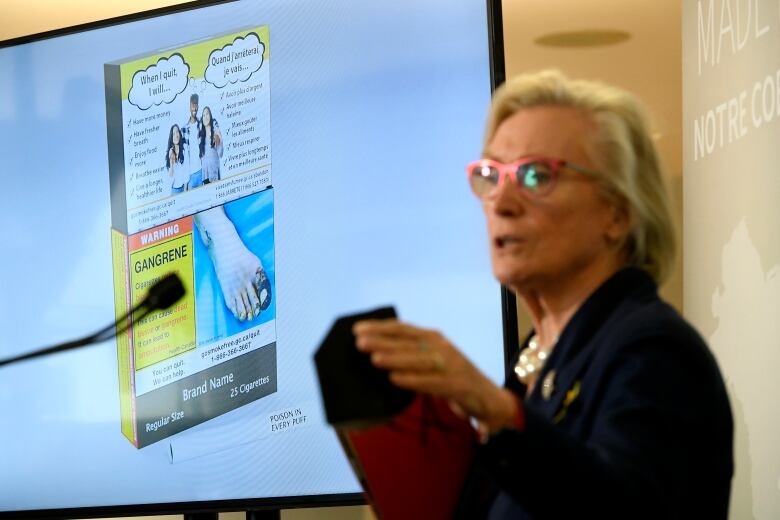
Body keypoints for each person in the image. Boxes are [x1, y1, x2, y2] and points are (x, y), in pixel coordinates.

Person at [352, 70, 733, 519]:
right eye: (491, 175)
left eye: (535, 176)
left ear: (617, 212)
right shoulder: (532, 363)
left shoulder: (654, 350)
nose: (502, 202)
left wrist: (497, 413)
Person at [181, 93, 204, 190]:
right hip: (190, 175)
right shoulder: (184, 129)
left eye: (196, 105)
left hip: (201, 171)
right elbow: (183, 155)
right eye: (192, 105)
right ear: (189, 106)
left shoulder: (202, 124)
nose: (194, 108)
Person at [199, 106, 223, 184]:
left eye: (207, 114)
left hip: (215, 174)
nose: (205, 117)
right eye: (204, 115)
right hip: (205, 176)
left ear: (210, 116)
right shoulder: (201, 137)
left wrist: (219, 140)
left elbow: (220, 154)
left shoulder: (215, 132)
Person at [166, 124, 188, 194]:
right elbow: (170, 177)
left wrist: (185, 190)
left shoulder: (185, 149)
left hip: (184, 188)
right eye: (174, 134)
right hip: (174, 190)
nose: (176, 135)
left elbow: (186, 171)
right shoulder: (170, 152)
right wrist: (171, 162)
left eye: (177, 132)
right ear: (171, 137)